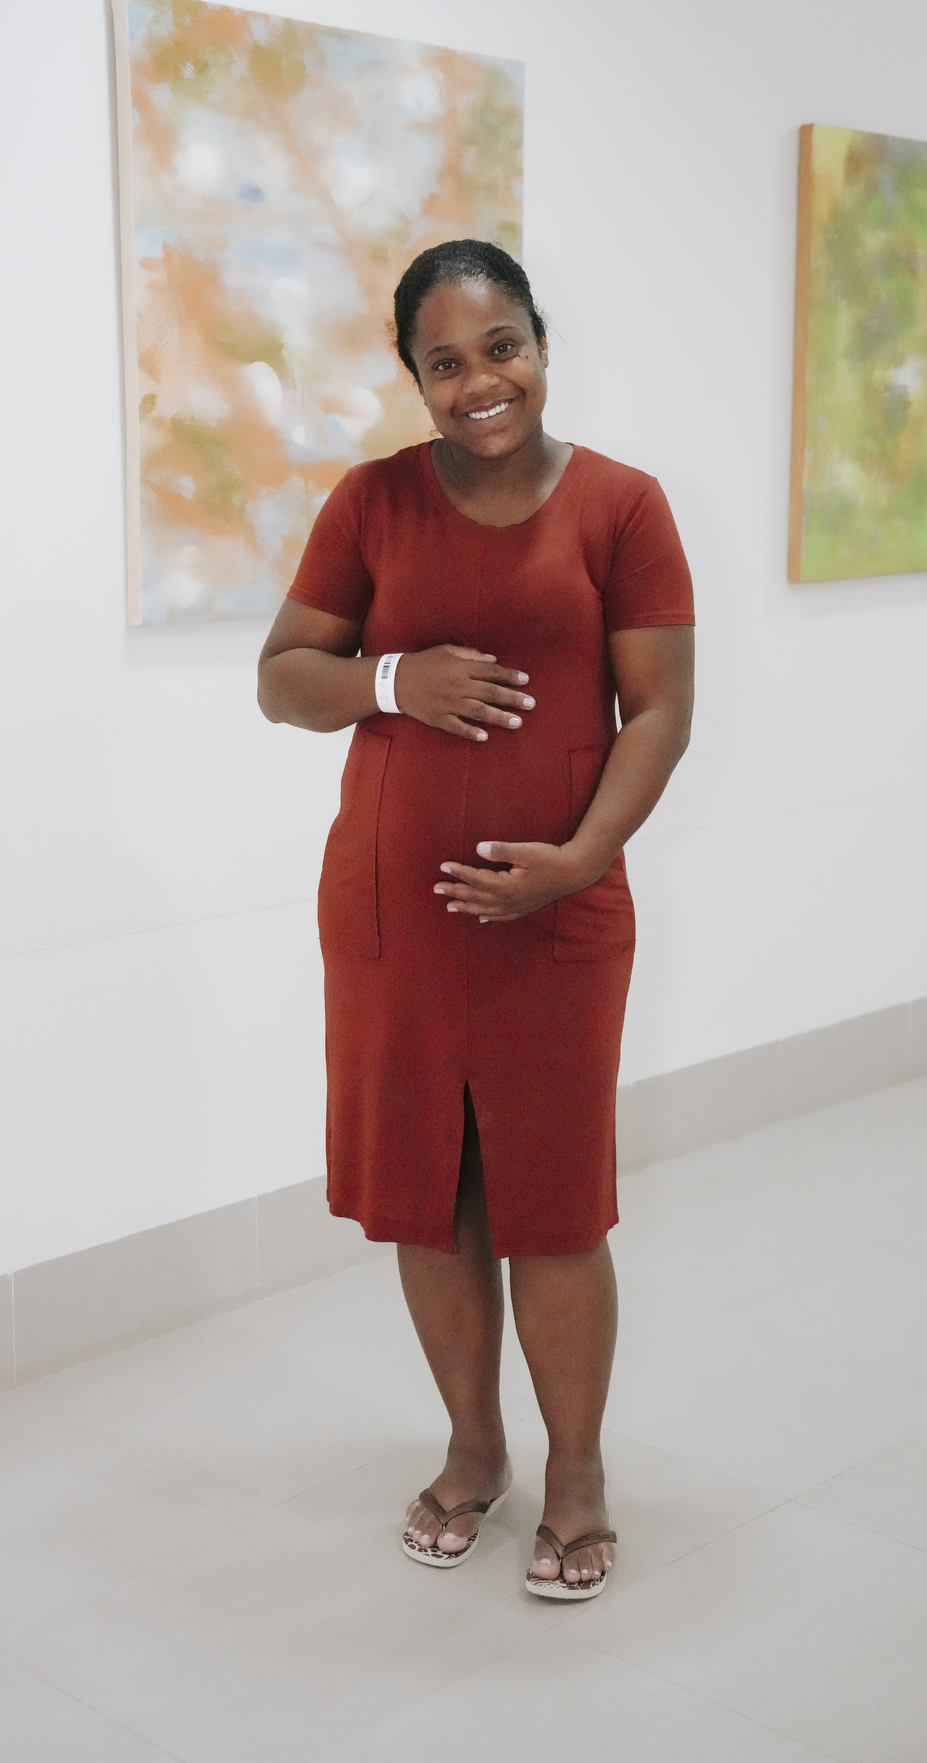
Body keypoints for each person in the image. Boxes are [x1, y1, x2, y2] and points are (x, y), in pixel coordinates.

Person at [256, 240, 694, 1599]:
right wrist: (392, 678)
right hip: (393, 923)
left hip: (558, 919)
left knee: (551, 1204)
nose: (479, 382)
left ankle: (579, 1477)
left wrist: (577, 862)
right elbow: (284, 678)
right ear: (416, 379)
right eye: (443, 363)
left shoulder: (622, 507)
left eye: (501, 347)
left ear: (540, 344)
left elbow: (659, 712)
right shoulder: (373, 504)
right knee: (429, 1195)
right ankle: (472, 1447)